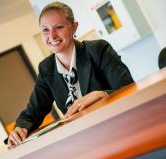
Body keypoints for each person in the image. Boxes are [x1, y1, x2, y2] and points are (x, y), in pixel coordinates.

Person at [7, 1, 134, 147]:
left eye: (59, 27)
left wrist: (103, 94)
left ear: (74, 27)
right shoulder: (46, 68)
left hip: (117, 130)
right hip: (83, 141)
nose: (52, 36)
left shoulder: (98, 50)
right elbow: (33, 112)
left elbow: (128, 88)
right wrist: (20, 128)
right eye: (45, 30)